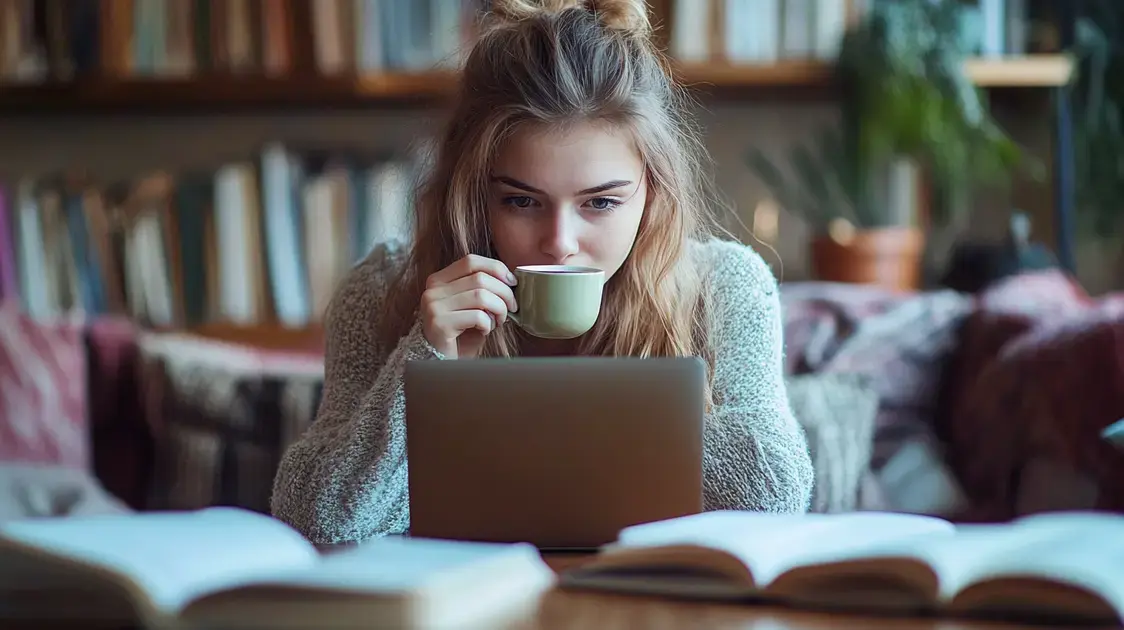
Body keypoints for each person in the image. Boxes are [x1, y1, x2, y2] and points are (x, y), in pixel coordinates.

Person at [271, 0, 814, 544]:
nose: (559, 243)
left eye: (600, 203)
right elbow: (316, 520)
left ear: (653, 193)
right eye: (522, 202)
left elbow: (775, 497)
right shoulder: (384, 289)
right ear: (474, 193)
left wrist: (617, 405)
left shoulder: (722, 286)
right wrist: (426, 364)